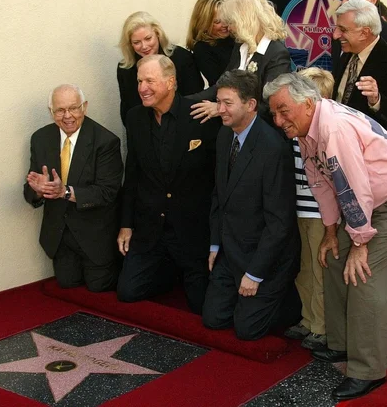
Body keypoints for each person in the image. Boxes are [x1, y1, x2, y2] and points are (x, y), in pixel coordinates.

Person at [264, 73, 387, 401]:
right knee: (333, 258)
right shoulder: (306, 127)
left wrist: (359, 242)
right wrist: (331, 234)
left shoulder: (333, 128)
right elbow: (322, 183)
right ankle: (340, 345)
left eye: (284, 111)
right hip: (369, 204)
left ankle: (368, 371)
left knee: (365, 279)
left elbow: (354, 189)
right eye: (274, 113)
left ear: (308, 103)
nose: (278, 120)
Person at [202, 69, 300, 340]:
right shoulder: (224, 135)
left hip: (264, 258)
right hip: (230, 249)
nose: (219, 109)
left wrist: (255, 274)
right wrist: (214, 246)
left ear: (251, 104)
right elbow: (218, 196)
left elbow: (279, 222)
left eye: (227, 103)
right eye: (218, 101)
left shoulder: (273, 148)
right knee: (213, 319)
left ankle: (289, 300)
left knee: (247, 330)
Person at [117, 55, 218, 314]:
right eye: (139, 81)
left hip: (191, 229)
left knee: (200, 306)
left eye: (149, 80)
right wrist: (126, 224)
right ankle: (170, 272)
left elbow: (216, 178)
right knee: (128, 292)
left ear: (171, 82)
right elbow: (133, 174)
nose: (142, 88)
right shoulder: (135, 118)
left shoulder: (199, 115)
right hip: (151, 227)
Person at [24, 84, 123, 292]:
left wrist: (64, 192)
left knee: (99, 288)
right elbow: (30, 189)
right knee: (67, 284)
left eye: (73, 108)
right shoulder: (40, 138)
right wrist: (39, 190)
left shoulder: (106, 141)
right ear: (51, 112)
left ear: (84, 107)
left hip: (94, 234)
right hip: (60, 235)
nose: (67, 116)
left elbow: (108, 192)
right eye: (60, 110)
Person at [283, 67, 347, 350]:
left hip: (320, 213)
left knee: (321, 270)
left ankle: (322, 326)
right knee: (304, 268)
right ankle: (308, 319)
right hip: (298, 209)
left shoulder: (326, 133)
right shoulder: (296, 133)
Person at [189, 0, 291, 127]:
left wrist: (222, 109)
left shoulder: (276, 54)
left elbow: (268, 106)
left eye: (231, 22)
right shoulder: (241, 47)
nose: (229, 28)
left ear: (245, 21)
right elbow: (221, 85)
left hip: (263, 134)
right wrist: (183, 102)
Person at [332, 0, 387, 134]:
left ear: (364, 33)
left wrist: (376, 101)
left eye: (343, 29)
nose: (336, 35)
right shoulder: (344, 53)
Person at [117, 11, 203, 125]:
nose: (144, 46)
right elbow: (128, 109)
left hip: (184, 123)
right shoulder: (125, 69)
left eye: (148, 38)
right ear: (130, 44)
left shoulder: (182, 58)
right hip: (145, 128)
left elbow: (194, 96)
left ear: (158, 35)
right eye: (137, 42)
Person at [186, 0, 235, 87]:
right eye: (217, 22)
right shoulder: (202, 48)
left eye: (227, 18)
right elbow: (219, 82)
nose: (225, 24)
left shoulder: (236, 37)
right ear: (203, 24)